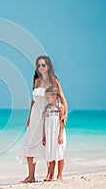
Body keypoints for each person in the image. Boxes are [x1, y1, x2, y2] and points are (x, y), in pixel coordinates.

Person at [17, 55, 68, 183]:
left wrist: (65, 114)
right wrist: (29, 117)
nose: (41, 67)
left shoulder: (54, 81)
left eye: (43, 65)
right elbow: (33, 101)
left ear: (49, 66)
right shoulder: (36, 81)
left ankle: (49, 175)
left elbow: (62, 97)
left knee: (49, 143)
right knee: (29, 143)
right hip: (35, 116)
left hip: (48, 116)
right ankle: (31, 176)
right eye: (38, 65)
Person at [42, 86, 66, 181]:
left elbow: (62, 123)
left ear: (55, 96)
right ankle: (50, 175)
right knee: (50, 155)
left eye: (48, 97)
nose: (47, 99)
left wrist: (60, 135)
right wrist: (44, 136)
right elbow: (45, 122)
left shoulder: (60, 107)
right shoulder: (47, 108)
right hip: (49, 134)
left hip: (57, 134)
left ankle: (59, 175)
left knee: (60, 154)